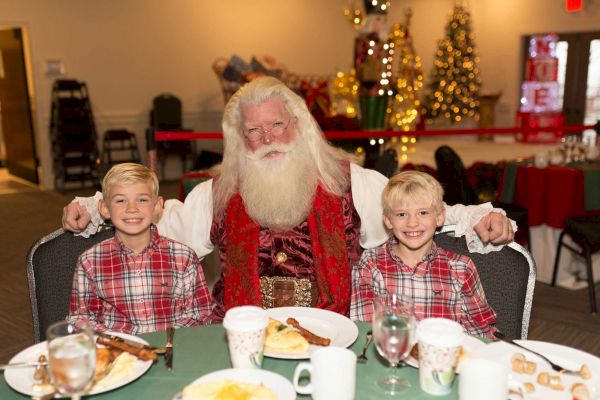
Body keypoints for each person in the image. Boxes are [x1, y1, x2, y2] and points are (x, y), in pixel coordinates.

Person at [62, 77, 514, 322]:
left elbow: (418, 213)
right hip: (242, 334)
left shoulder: (349, 181)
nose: (268, 139)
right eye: (253, 131)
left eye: (277, 125)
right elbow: (145, 216)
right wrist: (91, 207)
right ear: (239, 140)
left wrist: (481, 216)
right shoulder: (218, 192)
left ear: (299, 125)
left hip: (333, 333)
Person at [67, 163, 212, 334]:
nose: (132, 208)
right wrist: (115, 340)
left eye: (142, 200)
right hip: (119, 354)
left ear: (157, 206)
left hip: (171, 351)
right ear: (105, 208)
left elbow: (200, 315)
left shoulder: (184, 257)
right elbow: (80, 317)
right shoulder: (90, 261)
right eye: (120, 201)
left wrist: (164, 340)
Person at [350, 171, 497, 338]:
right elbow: (365, 332)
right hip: (391, 359)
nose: (412, 223)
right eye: (401, 214)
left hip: (444, 359)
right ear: (388, 220)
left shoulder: (461, 268)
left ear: (440, 216)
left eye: (423, 213)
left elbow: (480, 332)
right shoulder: (370, 265)